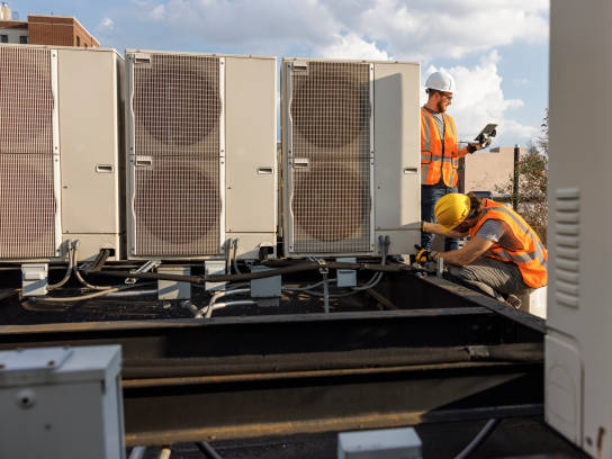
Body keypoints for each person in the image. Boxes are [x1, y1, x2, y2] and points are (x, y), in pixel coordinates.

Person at [416, 193, 548, 306]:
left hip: (528, 275)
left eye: (455, 226)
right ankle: (507, 298)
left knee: (459, 273)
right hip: (514, 265)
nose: (454, 229)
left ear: (465, 223)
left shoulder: (493, 224)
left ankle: (502, 309)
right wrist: (425, 226)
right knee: (460, 266)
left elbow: (462, 258)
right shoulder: (481, 208)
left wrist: (431, 255)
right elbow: (459, 232)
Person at [420, 71, 484, 252]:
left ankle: (452, 267)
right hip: (429, 185)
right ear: (436, 95)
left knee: (457, 227)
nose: (450, 102)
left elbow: (452, 153)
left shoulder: (450, 121)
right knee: (428, 230)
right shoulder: (418, 117)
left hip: (450, 183)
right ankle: (420, 267)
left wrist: (472, 149)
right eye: (448, 97)